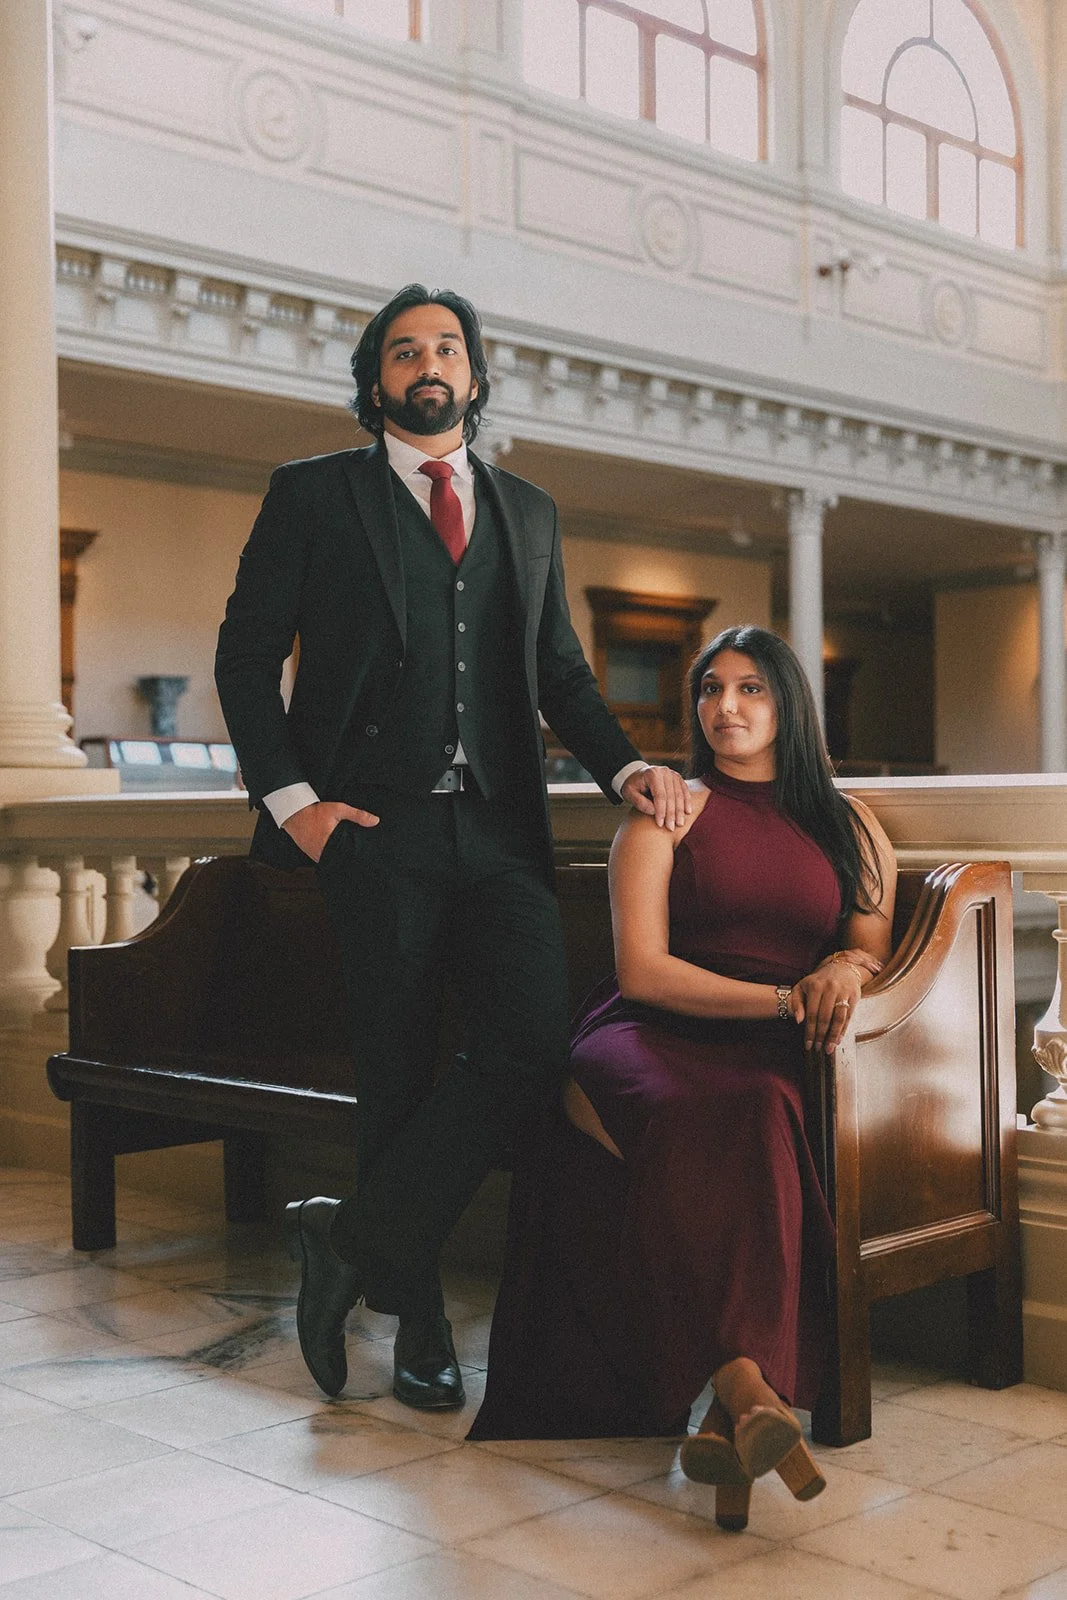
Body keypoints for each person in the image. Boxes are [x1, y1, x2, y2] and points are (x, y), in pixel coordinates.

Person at [214, 283, 690, 1413]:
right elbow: (243, 660)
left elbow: (559, 673)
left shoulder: (527, 509)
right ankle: (419, 1324)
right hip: (372, 833)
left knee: (529, 1040)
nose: (426, 363)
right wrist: (297, 804)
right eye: (401, 349)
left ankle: (350, 1243)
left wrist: (625, 766)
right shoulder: (311, 495)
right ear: (373, 378)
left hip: (499, 829)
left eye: (446, 347)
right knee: (395, 1071)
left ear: (474, 376)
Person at [469, 624, 897, 1530]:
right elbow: (643, 972)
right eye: (710, 689)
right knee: (709, 1109)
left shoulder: (845, 819)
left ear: (786, 704)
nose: (725, 707)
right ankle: (753, 1391)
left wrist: (841, 975)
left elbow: (868, 945)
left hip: (772, 1048)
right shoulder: (665, 813)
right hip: (649, 1031)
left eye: (749, 689)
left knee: (756, 1107)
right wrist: (789, 1001)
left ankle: (737, 1409)